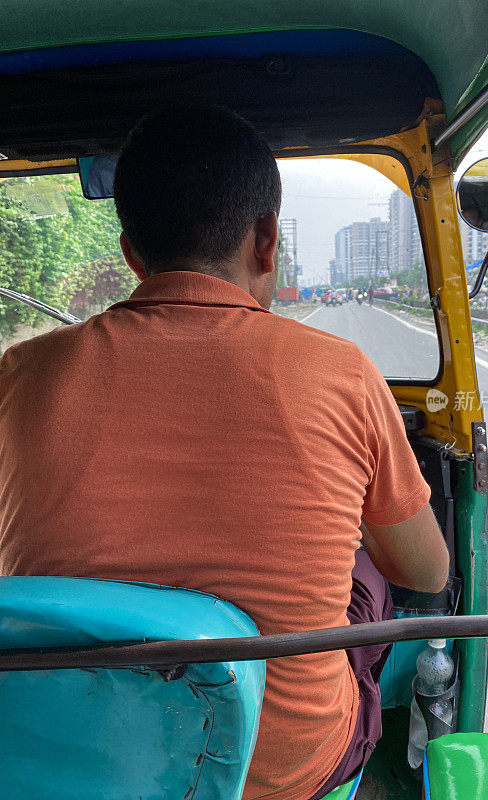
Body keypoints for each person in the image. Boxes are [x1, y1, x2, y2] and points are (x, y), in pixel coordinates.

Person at [0, 106, 448, 800]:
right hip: (288, 775)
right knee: (372, 577)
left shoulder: (18, 377)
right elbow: (429, 568)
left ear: (130, 253)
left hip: (69, 765)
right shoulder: (342, 373)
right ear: (266, 239)